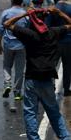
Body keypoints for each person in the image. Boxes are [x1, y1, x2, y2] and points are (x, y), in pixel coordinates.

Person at [4, 7, 71, 140]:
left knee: (30, 113)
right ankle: (65, 137)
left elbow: (7, 24)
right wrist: (59, 13)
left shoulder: (28, 34)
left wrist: (24, 15)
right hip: (47, 79)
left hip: (32, 79)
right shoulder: (53, 32)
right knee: (54, 112)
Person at [0, 0, 27, 103]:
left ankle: (7, 84)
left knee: (6, 66)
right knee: (19, 69)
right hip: (21, 45)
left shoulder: (6, 13)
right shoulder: (24, 14)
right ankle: (18, 92)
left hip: (8, 44)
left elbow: (0, 31)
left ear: (12, 1)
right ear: (21, 2)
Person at [50, 0, 71, 96]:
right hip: (68, 41)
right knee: (67, 66)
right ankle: (67, 89)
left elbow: (48, 27)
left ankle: (51, 85)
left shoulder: (52, 10)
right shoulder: (70, 8)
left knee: (52, 64)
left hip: (56, 42)